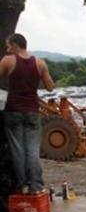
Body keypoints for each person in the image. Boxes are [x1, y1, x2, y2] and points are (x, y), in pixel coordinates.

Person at [0, 33, 54, 194]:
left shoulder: (8, 61)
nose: (8, 49)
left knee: (18, 150)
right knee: (32, 150)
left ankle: (22, 185)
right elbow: (50, 87)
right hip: (32, 111)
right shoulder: (39, 63)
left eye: (9, 46)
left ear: (15, 45)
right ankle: (36, 186)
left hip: (13, 110)